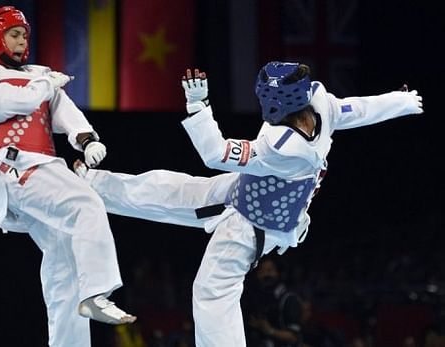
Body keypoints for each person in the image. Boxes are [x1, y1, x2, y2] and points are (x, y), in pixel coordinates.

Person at [73, 61, 423, 347]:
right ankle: (89, 184)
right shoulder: (320, 104)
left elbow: (215, 154)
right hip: (247, 193)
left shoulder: (284, 148)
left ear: (279, 101)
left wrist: (199, 107)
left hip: (253, 227)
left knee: (212, 292)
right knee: (168, 188)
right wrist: (402, 102)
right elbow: (358, 109)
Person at [0, 6, 135, 347]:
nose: (23, 41)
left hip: (41, 170)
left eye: (25, 35)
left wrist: (87, 140)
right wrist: (44, 85)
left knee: (63, 261)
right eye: (14, 34)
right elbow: (1, 103)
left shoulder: (41, 76)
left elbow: (66, 112)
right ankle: (98, 290)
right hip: (14, 167)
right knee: (86, 204)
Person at [241, 256, 306, 347]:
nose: (266, 275)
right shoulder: (255, 298)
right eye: (262, 271)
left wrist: (269, 330)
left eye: (270, 270)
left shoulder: (289, 299)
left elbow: (294, 337)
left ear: (278, 273)